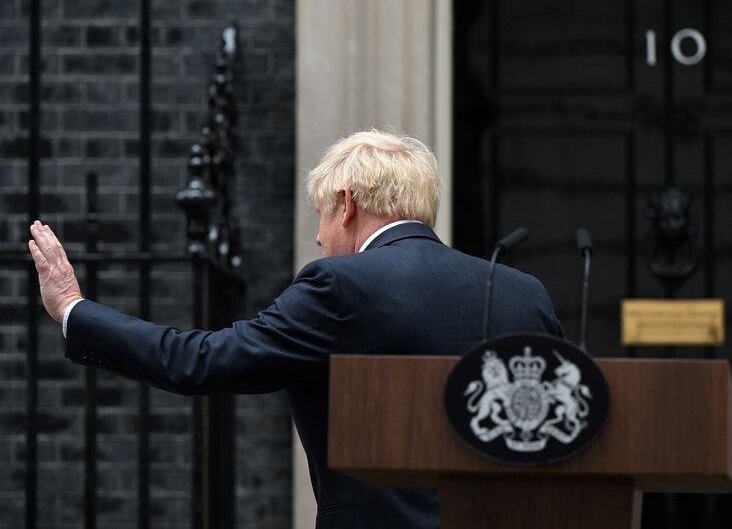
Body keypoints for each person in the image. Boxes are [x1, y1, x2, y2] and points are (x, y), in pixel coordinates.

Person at [28, 129, 563, 529]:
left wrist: (75, 309)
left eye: (322, 217)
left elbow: (201, 361)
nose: (319, 239)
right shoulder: (524, 291)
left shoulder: (340, 285)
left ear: (347, 205)